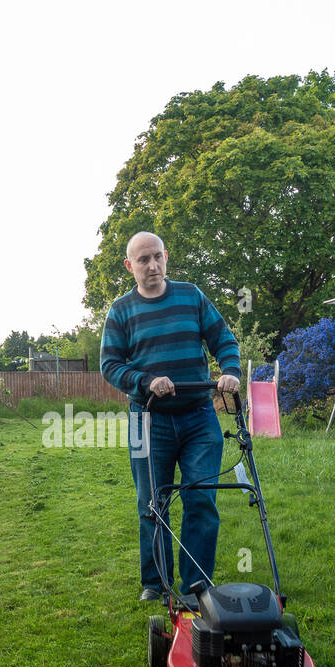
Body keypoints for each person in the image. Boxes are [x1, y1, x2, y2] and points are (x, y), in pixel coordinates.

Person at [99, 231, 242, 601]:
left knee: (201, 500)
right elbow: (110, 365)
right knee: (152, 502)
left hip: (198, 417)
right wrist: (145, 381)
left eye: (157, 257)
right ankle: (156, 582)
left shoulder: (191, 295)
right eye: (143, 260)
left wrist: (230, 370)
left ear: (166, 257)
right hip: (147, 418)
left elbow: (223, 339)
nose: (152, 265)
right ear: (130, 266)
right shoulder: (121, 310)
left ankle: (195, 586)